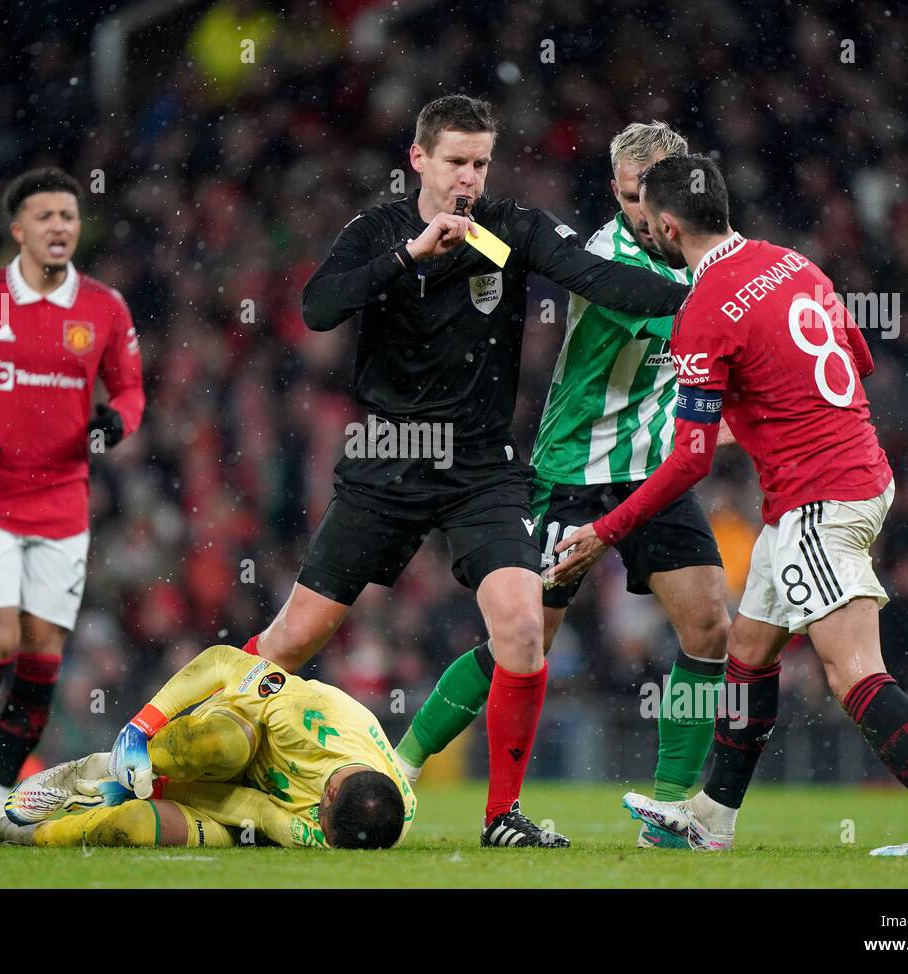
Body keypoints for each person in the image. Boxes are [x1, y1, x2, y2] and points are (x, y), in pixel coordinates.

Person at [234, 94, 688, 847]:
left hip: (481, 465)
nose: (468, 179)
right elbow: (318, 308)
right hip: (389, 457)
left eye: (480, 163)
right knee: (293, 635)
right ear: (418, 160)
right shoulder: (378, 230)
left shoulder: (508, 231)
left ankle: (502, 816)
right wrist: (412, 254)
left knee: (521, 626)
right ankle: (199, 743)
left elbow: (595, 278)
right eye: (454, 163)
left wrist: (701, 298)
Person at [551, 154, 908, 856]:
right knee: (749, 651)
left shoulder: (700, 309)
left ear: (667, 226)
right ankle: (712, 818)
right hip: (852, 474)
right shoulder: (790, 262)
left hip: (820, 496)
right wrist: (763, 413)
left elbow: (689, 460)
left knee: (852, 670)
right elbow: (857, 359)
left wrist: (607, 532)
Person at [393, 122, 731, 849]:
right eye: (640, 195)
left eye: (665, 191)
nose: (654, 209)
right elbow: (662, 310)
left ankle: (670, 813)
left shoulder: (704, 256)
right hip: (570, 473)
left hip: (652, 470)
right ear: (618, 191)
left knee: (709, 624)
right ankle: (403, 763)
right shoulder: (602, 257)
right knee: (520, 642)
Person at [0, 167, 145, 818]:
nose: (59, 227)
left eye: (68, 216)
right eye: (45, 217)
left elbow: (129, 388)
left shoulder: (104, 307)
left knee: (42, 650)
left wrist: (117, 420)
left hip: (63, 504)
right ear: (18, 230)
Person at [0, 644, 414, 850]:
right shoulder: (300, 718)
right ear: (327, 797)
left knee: (129, 826)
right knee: (224, 745)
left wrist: (149, 796)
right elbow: (224, 661)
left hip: (240, 811)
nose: (321, 838)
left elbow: (257, 810)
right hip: (242, 736)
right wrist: (140, 728)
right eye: (323, 829)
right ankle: (100, 765)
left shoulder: (368, 825)